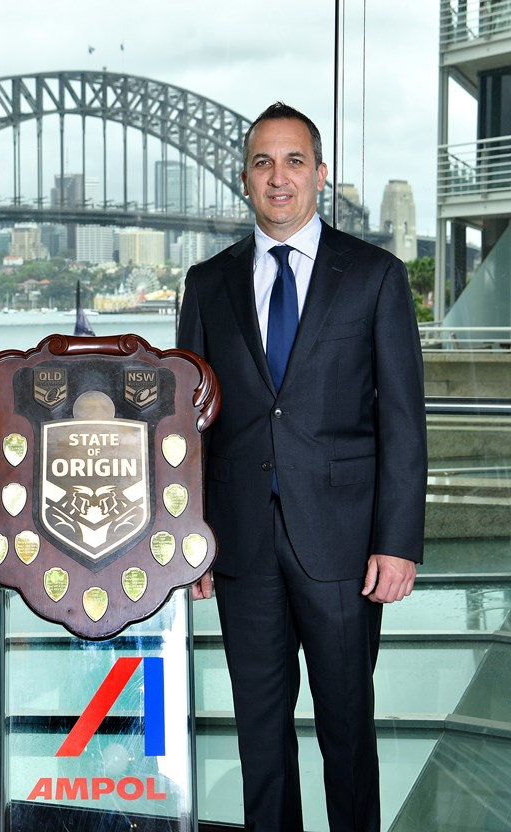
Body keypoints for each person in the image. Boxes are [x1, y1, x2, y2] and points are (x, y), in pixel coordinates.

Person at [178, 103, 427, 831]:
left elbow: (403, 420)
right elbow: (186, 431)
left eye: (293, 162)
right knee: (261, 737)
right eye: (262, 162)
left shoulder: (375, 277)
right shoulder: (207, 283)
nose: (277, 177)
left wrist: (399, 540)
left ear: (321, 175)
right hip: (242, 546)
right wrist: (192, 539)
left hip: (347, 548)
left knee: (348, 731)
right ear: (245, 179)